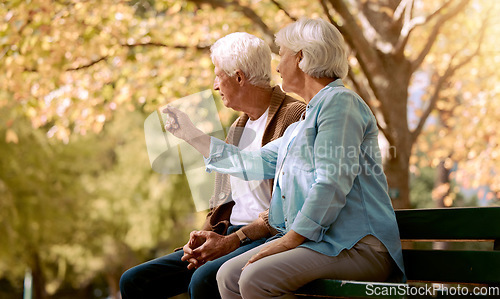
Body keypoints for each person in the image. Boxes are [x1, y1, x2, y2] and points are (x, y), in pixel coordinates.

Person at [163, 18, 406, 299]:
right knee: (228, 276)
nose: (277, 67)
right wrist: (192, 135)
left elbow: (331, 183)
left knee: (254, 278)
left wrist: (289, 241)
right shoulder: (300, 126)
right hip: (321, 243)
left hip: (357, 246)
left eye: (283, 56)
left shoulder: (340, 103)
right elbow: (249, 163)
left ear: (301, 58)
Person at [119, 32, 305, 299]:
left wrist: (233, 241)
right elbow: (220, 203)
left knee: (204, 281)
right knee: (135, 281)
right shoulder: (237, 129)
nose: (215, 85)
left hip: (265, 237)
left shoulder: (295, 116)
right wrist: (198, 240)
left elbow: (287, 208)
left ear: (239, 77)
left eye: (219, 76)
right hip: (228, 234)